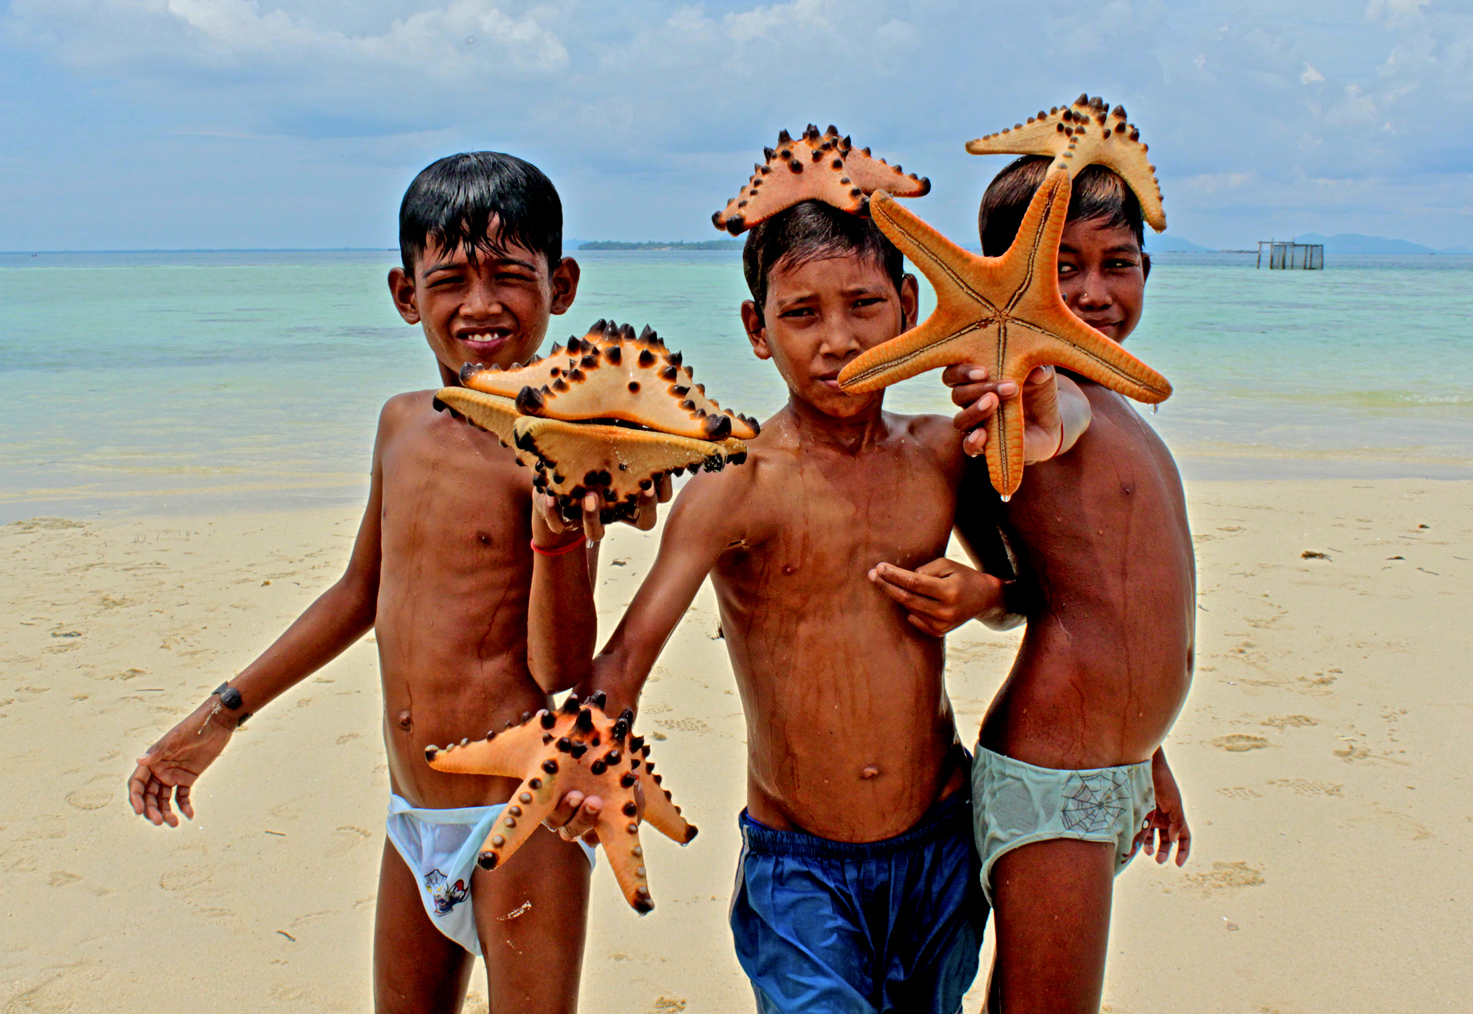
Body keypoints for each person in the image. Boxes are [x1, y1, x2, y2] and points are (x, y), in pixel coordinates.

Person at [528, 187, 1091, 1013]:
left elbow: (1026, 601)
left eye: (864, 305)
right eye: (801, 314)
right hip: (800, 871)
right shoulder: (738, 485)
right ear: (758, 331)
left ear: (908, 306)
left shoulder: (942, 455)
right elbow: (624, 658)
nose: (838, 340)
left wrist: (981, 594)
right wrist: (586, 750)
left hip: (941, 838)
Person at [127, 152, 657, 1014]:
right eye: (448, 279)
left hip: (521, 817)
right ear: (405, 294)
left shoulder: (565, 441)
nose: (479, 305)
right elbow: (357, 595)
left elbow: (559, 666)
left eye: (509, 276)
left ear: (559, 285)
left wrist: (555, 533)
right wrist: (220, 714)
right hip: (411, 818)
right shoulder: (400, 422)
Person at [871, 157, 1194, 1014]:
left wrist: (1152, 759)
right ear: (993, 283)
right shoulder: (1032, 405)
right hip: (1057, 769)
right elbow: (1044, 424)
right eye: (1062, 266)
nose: (1092, 292)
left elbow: (1071, 595)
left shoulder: (1115, 399)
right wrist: (1031, 423)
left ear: (1146, 271)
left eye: (1116, 262)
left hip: (1110, 762)